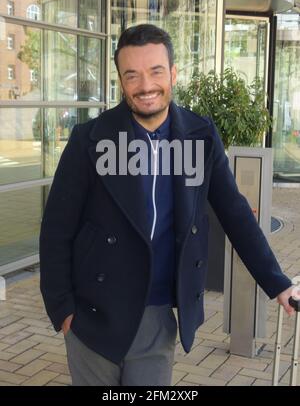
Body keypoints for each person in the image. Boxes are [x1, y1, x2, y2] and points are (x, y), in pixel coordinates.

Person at [40, 23, 295, 386]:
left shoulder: (201, 135)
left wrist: (279, 283)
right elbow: (56, 229)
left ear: (173, 73)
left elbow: (235, 212)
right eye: (132, 75)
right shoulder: (90, 140)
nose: (145, 86)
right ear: (120, 80)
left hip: (158, 316)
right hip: (94, 314)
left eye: (156, 71)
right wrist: (62, 308)